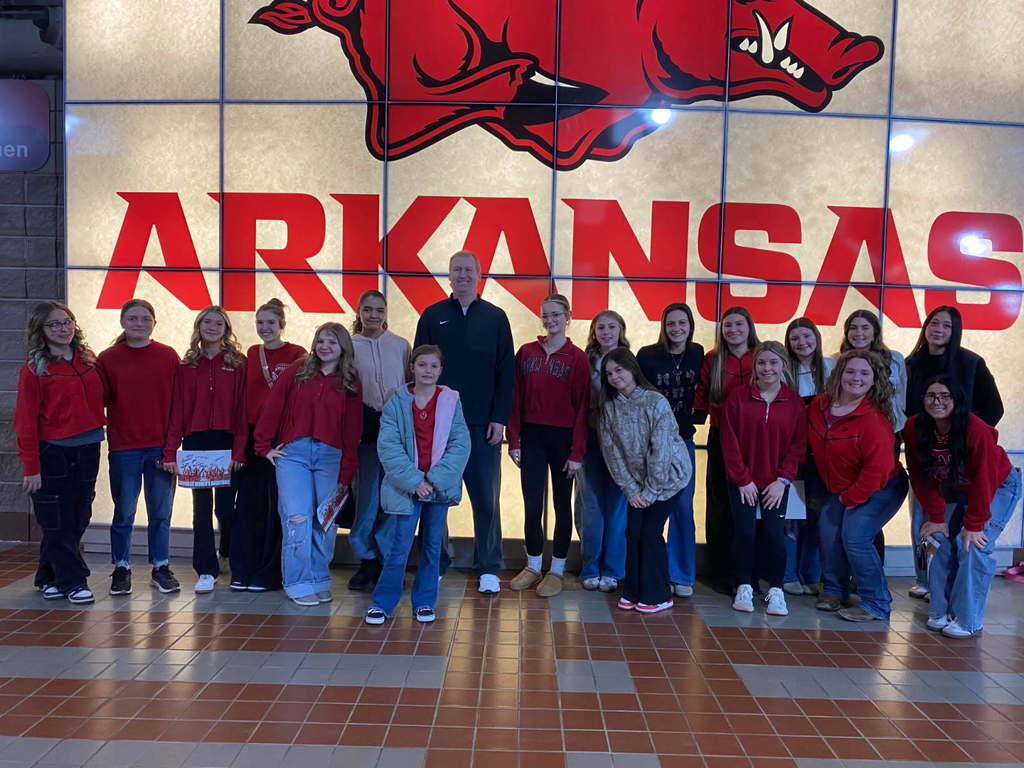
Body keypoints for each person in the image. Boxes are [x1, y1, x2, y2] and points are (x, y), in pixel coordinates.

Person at [414, 251, 514, 594]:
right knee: (436, 494)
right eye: (456, 269)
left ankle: (488, 566)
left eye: (469, 270)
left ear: (480, 274)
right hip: (439, 426)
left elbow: (506, 372)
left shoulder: (497, 318)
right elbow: (419, 370)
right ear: (449, 275)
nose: (463, 275)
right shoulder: (432, 315)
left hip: (482, 425)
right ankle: (436, 561)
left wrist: (500, 418)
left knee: (486, 498)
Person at [904, 376, 1021, 638]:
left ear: (957, 400)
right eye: (931, 396)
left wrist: (974, 524)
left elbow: (984, 479)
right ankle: (940, 610)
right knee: (939, 539)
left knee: (972, 546)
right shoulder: (914, 427)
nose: (937, 402)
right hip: (956, 489)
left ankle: (968, 619)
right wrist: (935, 516)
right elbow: (919, 476)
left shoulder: (974, 429)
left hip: (997, 486)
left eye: (945, 396)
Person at [255, 323, 363, 606]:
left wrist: (347, 470)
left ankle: (318, 578)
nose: (325, 346)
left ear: (343, 348)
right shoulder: (297, 371)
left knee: (324, 521)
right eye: (321, 340)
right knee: (297, 517)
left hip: (331, 456)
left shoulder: (350, 381)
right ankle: (297, 581)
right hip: (295, 456)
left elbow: (353, 430)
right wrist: (263, 447)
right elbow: (273, 407)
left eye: (332, 342)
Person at [365, 345, 470, 625]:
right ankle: (383, 602)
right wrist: (414, 481)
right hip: (406, 488)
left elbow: (460, 444)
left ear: (441, 370)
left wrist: (433, 481)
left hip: (437, 489)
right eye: (422, 365)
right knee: (398, 546)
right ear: (412, 367)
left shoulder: (450, 401)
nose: (428, 371)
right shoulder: (397, 401)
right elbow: (388, 446)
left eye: (433, 366)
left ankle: (424, 601)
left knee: (433, 547)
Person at [904, 305, 1004, 599]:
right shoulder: (912, 363)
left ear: (955, 331)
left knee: (959, 521)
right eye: (934, 323)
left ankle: (950, 584)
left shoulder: (970, 362)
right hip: (924, 451)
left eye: (947, 326)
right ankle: (924, 578)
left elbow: (994, 408)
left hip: (961, 457)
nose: (938, 330)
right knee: (922, 517)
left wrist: (962, 435)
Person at [14, 302, 105, 605]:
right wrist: (31, 466)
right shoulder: (34, 370)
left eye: (67, 322)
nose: (63, 329)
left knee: (80, 514)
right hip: (53, 452)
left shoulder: (88, 361)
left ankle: (47, 575)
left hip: (89, 448)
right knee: (57, 518)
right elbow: (25, 420)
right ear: (41, 330)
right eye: (54, 324)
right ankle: (73, 580)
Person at [809, 349, 908, 622]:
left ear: (874, 380)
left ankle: (877, 603)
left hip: (882, 487)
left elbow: (877, 471)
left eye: (865, 373)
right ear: (839, 375)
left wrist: (847, 499)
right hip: (838, 487)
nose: (856, 378)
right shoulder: (819, 406)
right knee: (828, 531)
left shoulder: (874, 420)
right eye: (850, 371)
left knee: (855, 536)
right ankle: (834, 590)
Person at [507, 294, 589, 598]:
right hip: (531, 436)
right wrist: (513, 439)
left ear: (568, 316)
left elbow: (583, 409)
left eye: (556, 315)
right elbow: (514, 399)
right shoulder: (526, 352)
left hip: (563, 439)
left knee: (561, 505)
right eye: (546, 315)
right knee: (531, 504)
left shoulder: (577, 358)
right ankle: (532, 565)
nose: (550, 320)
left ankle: (556, 570)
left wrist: (577, 452)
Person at [598, 348, 691, 614]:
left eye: (619, 370)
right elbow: (611, 452)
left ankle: (658, 595)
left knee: (650, 532)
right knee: (633, 532)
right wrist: (631, 490)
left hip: (669, 479)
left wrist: (650, 491)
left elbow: (660, 449)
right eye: (609, 373)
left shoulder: (654, 401)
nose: (615, 377)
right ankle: (634, 591)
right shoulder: (609, 407)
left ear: (632, 369)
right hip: (636, 486)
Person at [97, 299, 181, 596]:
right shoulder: (107, 359)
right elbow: (99, 400)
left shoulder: (168, 356)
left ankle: (161, 566)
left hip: (159, 449)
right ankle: (121, 567)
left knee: (161, 512)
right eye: (132, 318)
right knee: (125, 512)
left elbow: (178, 406)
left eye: (145, 318)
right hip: (125, 448)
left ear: (154, 323)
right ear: (122, 322)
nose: (139, 324)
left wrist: (172, 448)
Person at [162, 306, 247, 595]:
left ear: (226, 329)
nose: (212, 327)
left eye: (218, 323)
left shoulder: (238, 363)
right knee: (201, 511)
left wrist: (239, 451)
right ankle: (206, 570)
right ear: (198, 327)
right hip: (196, 442)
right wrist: (170, 451)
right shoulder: (186, 366)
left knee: (225, 508)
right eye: (207, 322)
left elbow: (242, 410)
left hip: (226, 441)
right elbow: (176, 410)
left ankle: (229, 555)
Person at [720, 341, 806, 616]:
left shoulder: (793, 402)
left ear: (782, 366)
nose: (767, 368)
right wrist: (742, 479)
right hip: (743, 481)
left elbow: (798, 445)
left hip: (775, 484)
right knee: (744, 533)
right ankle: (745, 585)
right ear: (754, 366)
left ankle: (776, 589)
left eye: (773, 363)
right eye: (761, 363)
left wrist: (783, 480)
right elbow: (729, 441)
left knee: (774, 534)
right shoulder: (737, 397)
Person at [233, 298, 305, 592]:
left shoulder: (298, 354)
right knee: (249, 505)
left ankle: (270, 572)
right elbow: (243, 400)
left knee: (280, 505)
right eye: (260, 323)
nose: (265, 328)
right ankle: (243, 569)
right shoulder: (251, 354)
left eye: (270, 323)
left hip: (282, 438)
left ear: (281, 325)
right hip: (254, 437)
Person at [637, 302, 703, 598]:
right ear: (663, 326)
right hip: (651, 442)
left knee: (682, 508)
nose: (676, 329)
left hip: (683, 441)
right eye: (671, 323)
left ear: (690, 325)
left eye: (682, 323)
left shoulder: (699, 353)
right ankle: (650, 569)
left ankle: (682, 575)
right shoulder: (648, 356)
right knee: (649, 508)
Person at [694, 306, 759, 594]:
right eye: (727, 325)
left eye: (738, 324)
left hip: (757, 438)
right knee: (720, 505)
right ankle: (721, 572)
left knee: (749, 508)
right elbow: (701, 397)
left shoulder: (762, 355)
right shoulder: (713, 358)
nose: (733, 330)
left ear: (749, 326)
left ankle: (750, 571)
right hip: (721, 437)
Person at [349, 289, 411, 592]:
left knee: (393, 499)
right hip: (365, 433)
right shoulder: (349, 345)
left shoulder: (400, 346)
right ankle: (366, 560)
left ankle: (388, 560)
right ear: (359, 311)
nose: (373, 315)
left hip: (397, 435)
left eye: (379, 310)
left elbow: (410, 386)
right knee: (367, 499)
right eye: (368, 309)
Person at [837, 309, 907, 566]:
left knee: (873, 504)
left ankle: (872, 568)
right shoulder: (838, 361)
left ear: (875, 332)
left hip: (887, 437)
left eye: (865, 328)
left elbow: (901, 401)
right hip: (849, 439)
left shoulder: (895, 359)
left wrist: (899, 433)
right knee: (850, 507)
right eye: (853, 328)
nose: (859, 333)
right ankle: (848, 569)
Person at [575, 310, 630, 592]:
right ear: (594, 332)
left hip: (622, 443)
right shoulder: (585, 361)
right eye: (600, 328)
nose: (606, 332)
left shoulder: (631, 362)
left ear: (621, 329)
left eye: (612, 326)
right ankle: (590, 566)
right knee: (591, 505)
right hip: (592, 439)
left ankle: (613, 569)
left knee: (618, 507)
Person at [781, 317, 835, 597]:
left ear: (816, 337)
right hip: (792, 451)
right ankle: (788, 574)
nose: (802, 343)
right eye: (795, 338)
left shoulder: (831, 367)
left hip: (823, 453)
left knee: (816, 515)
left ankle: (811, 574)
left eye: (806, 336)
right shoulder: (783, 371)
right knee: (791, 517)